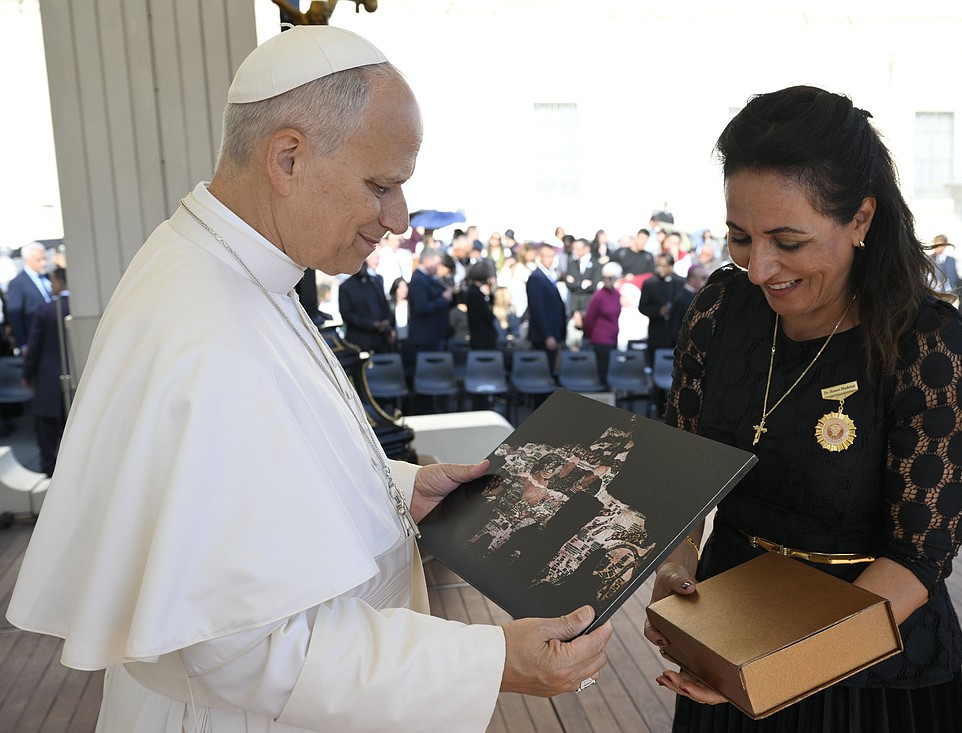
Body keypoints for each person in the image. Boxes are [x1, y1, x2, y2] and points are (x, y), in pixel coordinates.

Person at [6, 26, 611, 733]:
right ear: (287, 157)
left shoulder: (233, 268)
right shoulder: (205, 328)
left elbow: (263, 470)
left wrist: (400, 488)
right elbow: (248, 647)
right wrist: (490, 660)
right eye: (380, 186)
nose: (399, 219)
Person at [642, 85, 962, 732]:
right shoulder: (721, 313)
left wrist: (773, 670)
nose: (759, 268)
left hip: (866, 654)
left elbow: (916, 559)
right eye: (740, 237)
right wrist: (677, 558)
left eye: (788, 240)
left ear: (860, 219)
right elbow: (682, 463)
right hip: (728, 631)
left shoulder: (927, 348)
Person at [20, 267, 69, 476]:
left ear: (60, 283)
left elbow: (35, 347)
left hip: (48, 377)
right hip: (78, 375)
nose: (51, 286)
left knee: (47, 426)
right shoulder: (81, 307)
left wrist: (26, 374)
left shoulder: (46, 310)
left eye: (52, 281)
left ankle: (50, 468)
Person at [339, 249, 395, 353]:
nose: (363, 267)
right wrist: (371, 324)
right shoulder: (346, 287)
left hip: (380, 339)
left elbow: (384, 304)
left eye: (365, 264)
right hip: (361, 340)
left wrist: (388, 321)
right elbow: (347, 315)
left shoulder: (375, 281)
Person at [638, 252, 684, 367]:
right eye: (657, 265)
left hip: (677, 334)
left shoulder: (681, 282)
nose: (659, 269)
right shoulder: (649, 284)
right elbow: (643, 307)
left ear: (671, 266)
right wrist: (658, 311)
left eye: (663, 266)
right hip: (657, 332)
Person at [526, 242, 568, 367]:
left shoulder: (549, 276)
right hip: (544, 336)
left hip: (554, 332)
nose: (550, 260)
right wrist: (547, 335)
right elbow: (537, 309)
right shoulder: (536, 278)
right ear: (540, 257)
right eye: (547, 256)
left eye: (552, 256)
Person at [7, 241, 54, 352]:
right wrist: (23, 344)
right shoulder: (18, 283)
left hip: (52, 337)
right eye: (39, 260)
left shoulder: (47, 277)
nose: (43, 263)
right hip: (34, 340)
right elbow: (15, 316)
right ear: (27, 260)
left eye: (44, 259)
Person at [582, 261, 623, 386]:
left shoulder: (616, 294)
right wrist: (588, 335)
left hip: (613, 339)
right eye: (604, 277)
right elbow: (589, 318)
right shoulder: (598, 295)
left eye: (610, 277)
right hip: (600, 340)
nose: (606, 280)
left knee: (611, 373)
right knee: (602, 375)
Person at [408, 246, 454, 351]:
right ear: (428, 262)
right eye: (437, 264)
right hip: (425, 337)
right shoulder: (418, 280)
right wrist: (443, 299)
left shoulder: (428, 278)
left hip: (433, 335)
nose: (439, 267)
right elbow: (422, 307)